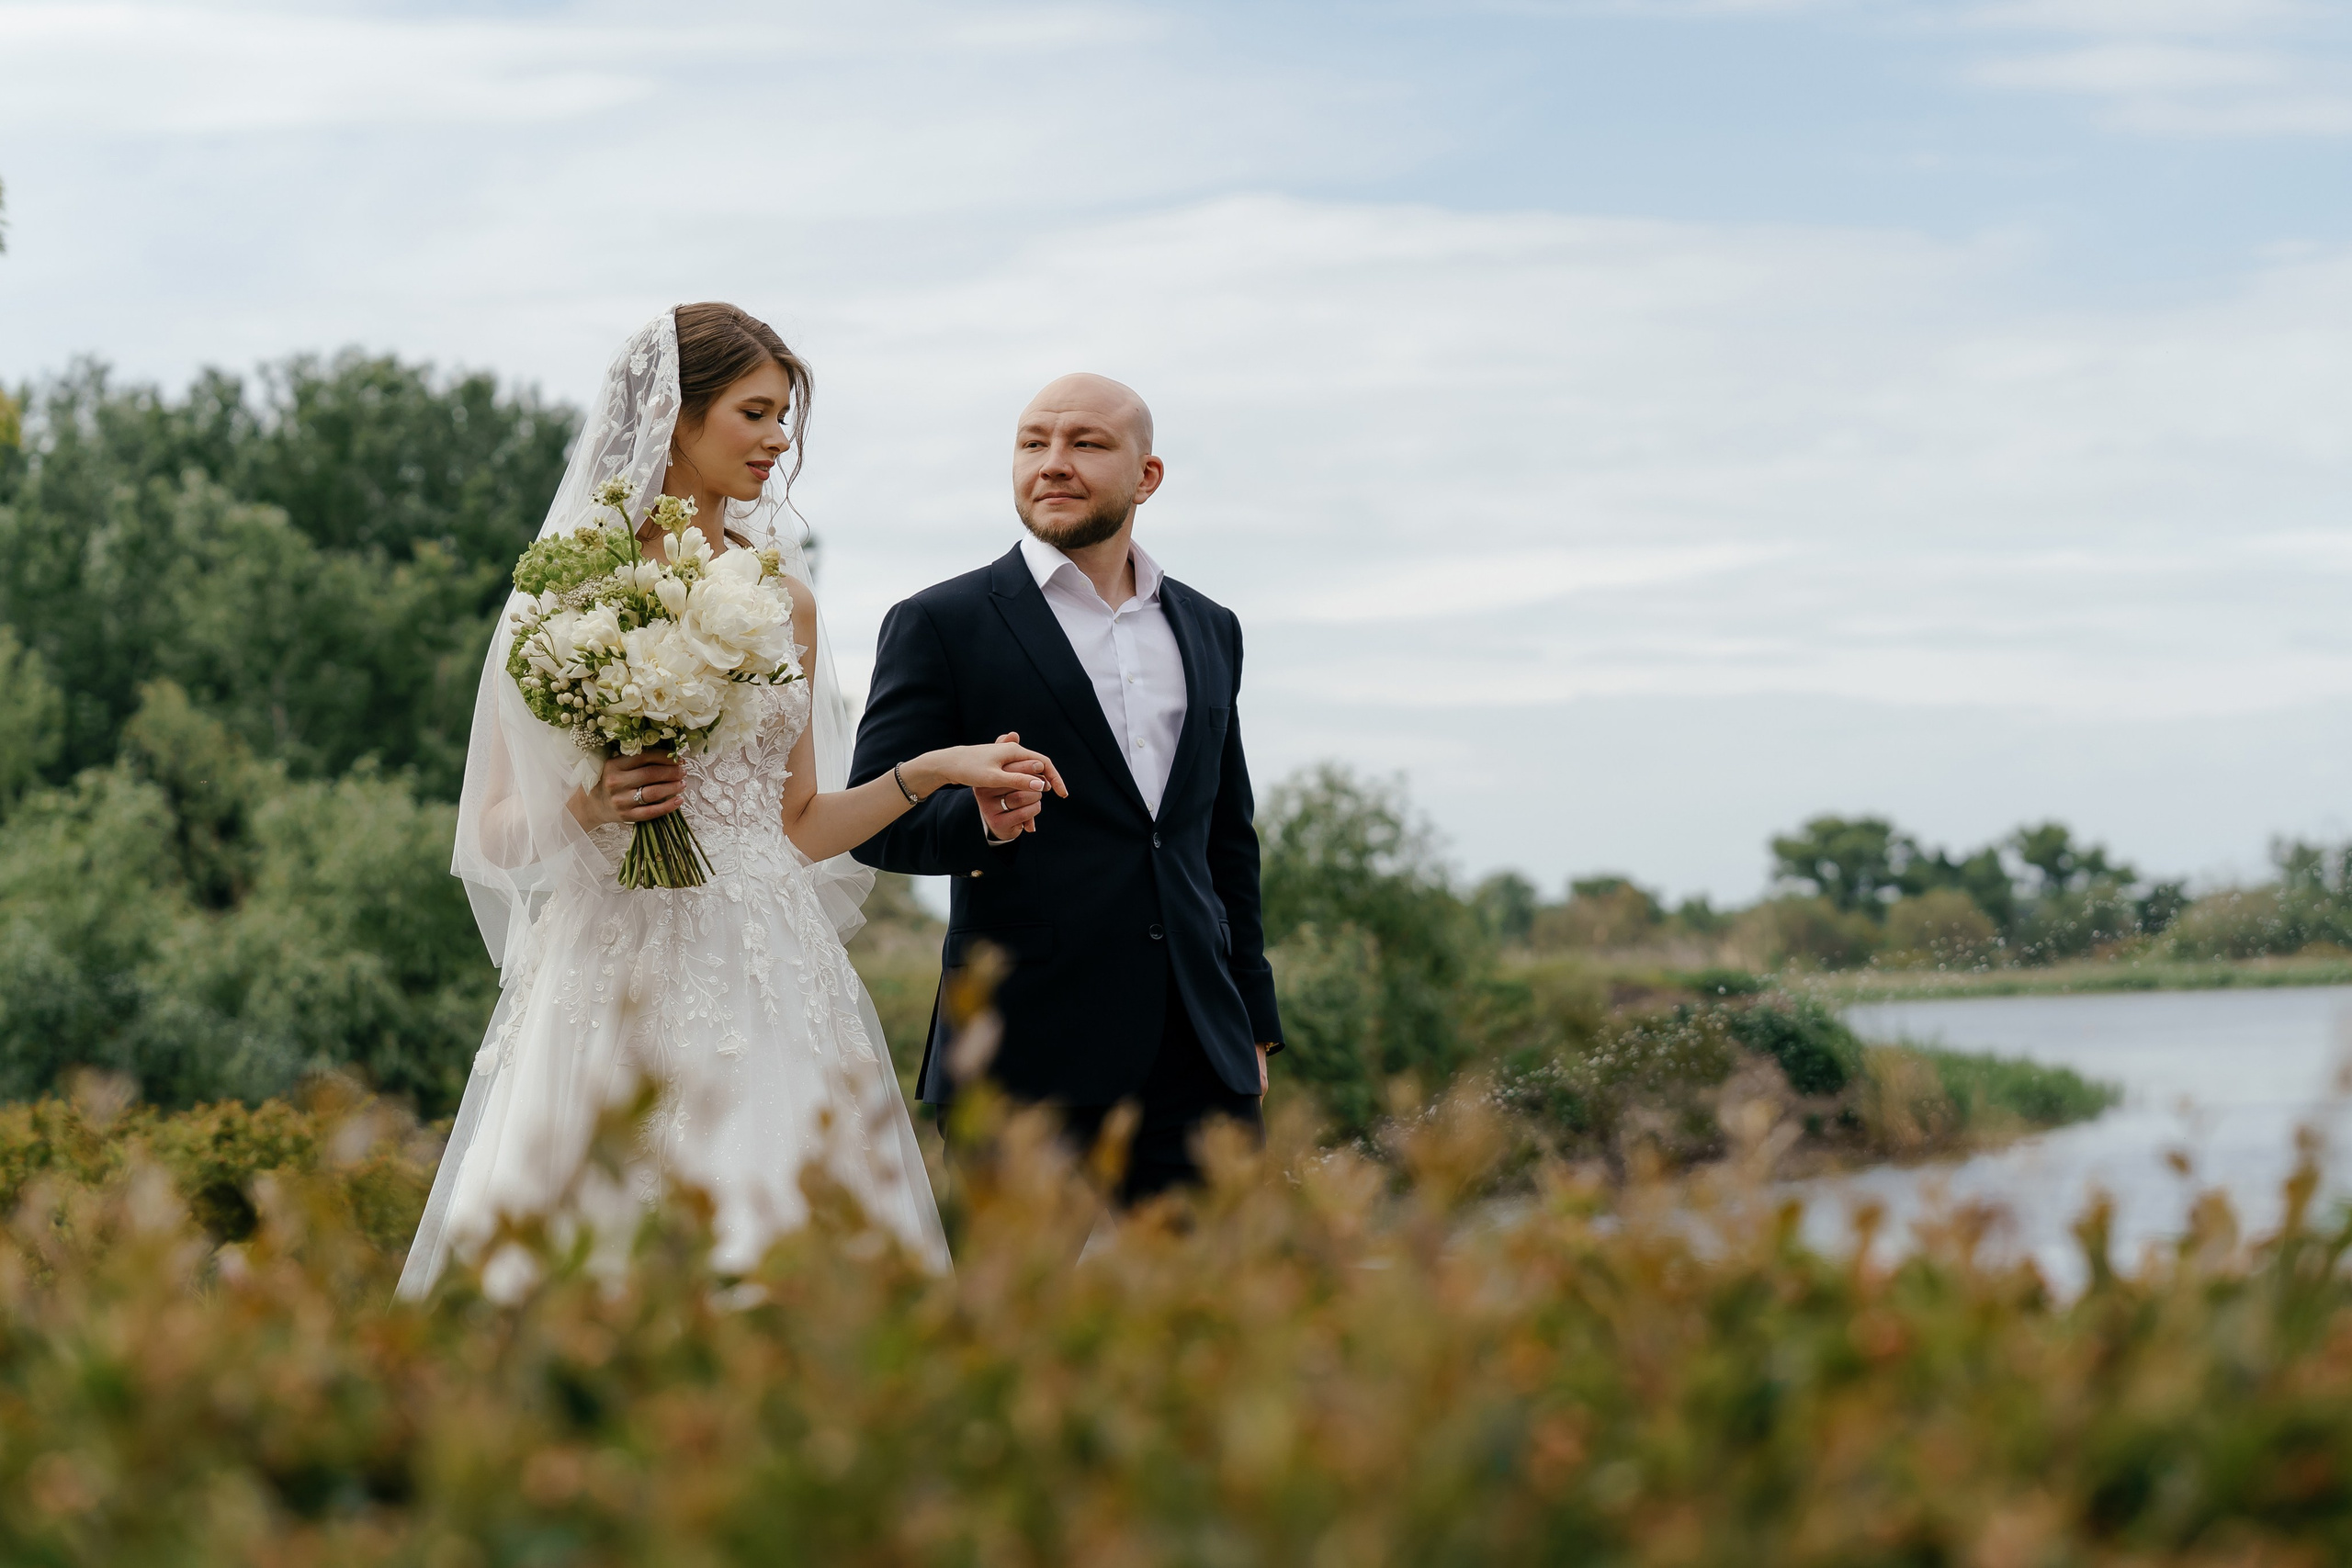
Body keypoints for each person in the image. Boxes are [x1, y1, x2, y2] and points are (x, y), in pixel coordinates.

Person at [399, 305, 1062, 1298]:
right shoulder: (566, 596)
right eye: (754, 413)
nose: (777, 439)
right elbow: (493, 831)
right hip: (611, 965)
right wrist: (592, 803)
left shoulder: (786, 599)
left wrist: (931, 770)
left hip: (768, 960)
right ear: (676, 416)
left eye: (782, 416)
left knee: (785, 1252)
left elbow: (801, 826)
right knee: (595, 1255)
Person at [849, 373, 1283, 1204]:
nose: (1052, 461)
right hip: (1019, 1057)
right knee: (1017, 1296)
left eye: (1086, 443)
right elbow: (872, 818)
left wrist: (1254, 1024)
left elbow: (1225, 837)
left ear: (1146, 476)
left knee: (1220, 1290)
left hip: (1203, 1054)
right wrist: (981, 824)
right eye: (1032, 442)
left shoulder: (1210, 626)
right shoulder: (941, 622)